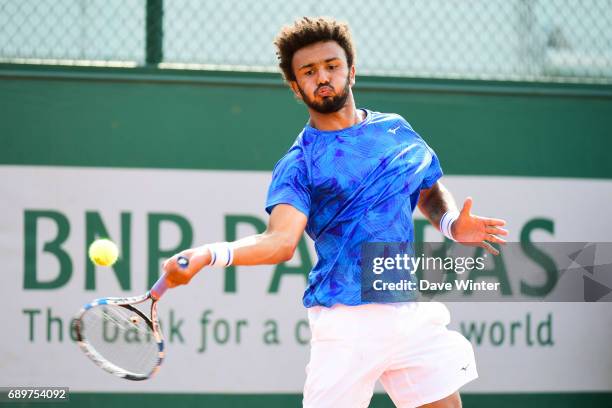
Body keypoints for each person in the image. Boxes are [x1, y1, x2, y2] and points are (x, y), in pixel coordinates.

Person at [162, 17, 508, 408]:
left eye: (332, 66)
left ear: (351, 72)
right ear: (296, 87)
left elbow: (425, 187)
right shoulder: (300, 163)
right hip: (348, 321)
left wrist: (449, 222)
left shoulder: (395, 130)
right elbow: (279, 242)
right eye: (309, 72)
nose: (322, 77)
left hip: (408, 309)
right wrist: (210, 254)